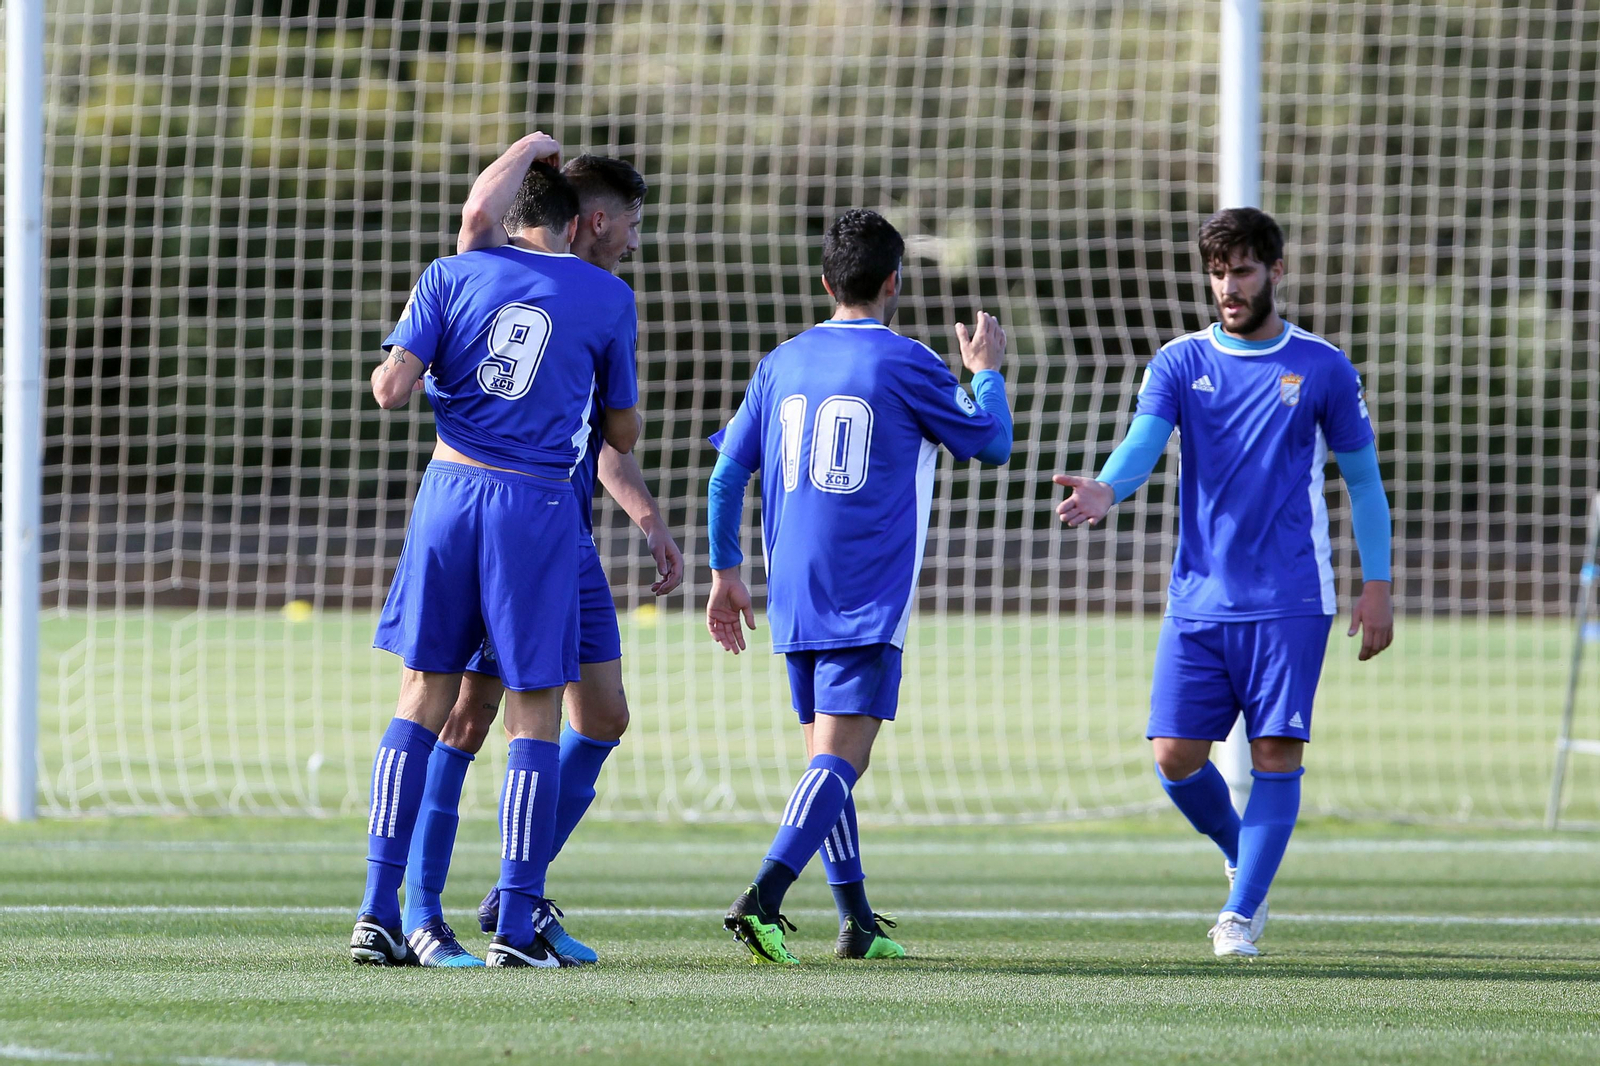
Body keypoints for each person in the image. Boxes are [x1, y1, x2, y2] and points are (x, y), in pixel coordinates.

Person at [1054, 206, 1394, 957]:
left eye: (1241, 271)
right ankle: (1249, 862)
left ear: (1277, 271)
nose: (1228, 287)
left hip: (1291, 600)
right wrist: (1108, 489)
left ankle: (1238, 915)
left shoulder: (1323, 368)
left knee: (1276, 753)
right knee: (1174, 754)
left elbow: (1365, 484)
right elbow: (1142, 445)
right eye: (1217, 273)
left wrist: (1379, 584)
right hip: (1199, 599)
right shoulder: (1179, 362)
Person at [397, 135, 683, 968]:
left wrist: (649, 521)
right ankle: (420, 911)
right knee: (468, 711)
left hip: (567, 533)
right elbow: (477, 219)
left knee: (603, 714)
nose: (634, 240)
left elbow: (604, 442)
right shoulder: (510, 272)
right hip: (509, 521)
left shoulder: (598, 298)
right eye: (630, 224)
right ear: (593, 219)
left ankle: (511, 892)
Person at [705, 209, 1014, 964]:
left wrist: (725, 572)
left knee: (824, 756)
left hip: (793, 588)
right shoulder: (906, 361)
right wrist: (987, 372)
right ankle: (764, 895)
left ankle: (858, 921)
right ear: (893, 283)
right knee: (843, 759)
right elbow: (992, 443)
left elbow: (725, 475)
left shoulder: (780, 361)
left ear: (824, 281)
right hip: (866, 588)